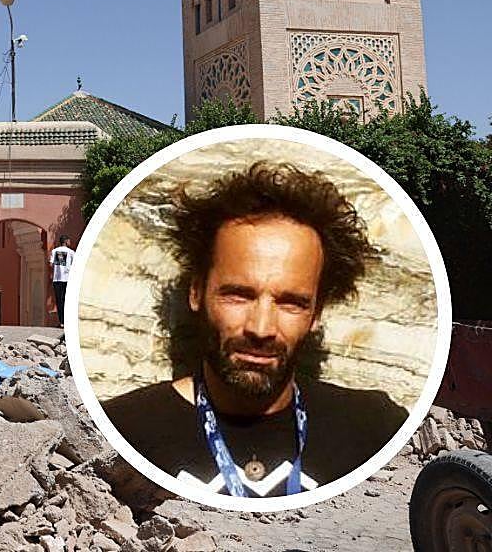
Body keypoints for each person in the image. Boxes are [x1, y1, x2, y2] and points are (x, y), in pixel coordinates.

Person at [102, 162, 408, 498]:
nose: (261, 329)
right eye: (238, 295)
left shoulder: (379, 430)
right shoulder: (118, 431)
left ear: (316, 313)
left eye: (290, 302)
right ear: (197, 293)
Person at [49, 234, 74, 327]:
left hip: (57, 279)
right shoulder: (71, 252)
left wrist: (58, 267)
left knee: (59, 301)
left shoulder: (55, 251)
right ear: (66, 241)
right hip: (68, 279)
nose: (70, 242)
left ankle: (62, 322)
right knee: (68, 300)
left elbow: (51, 264)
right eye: (69, 241)